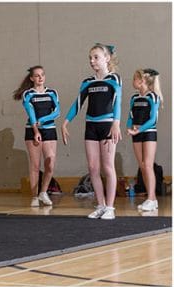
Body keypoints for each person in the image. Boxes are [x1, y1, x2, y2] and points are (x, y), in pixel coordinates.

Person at [61, 43, 122, 220]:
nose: (92, 61)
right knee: (93, 168)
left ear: (107, 58)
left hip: (108, 125)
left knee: (108, 167)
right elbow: (78, 103)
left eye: (96, 57)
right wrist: (66, 122)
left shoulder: (114, 79)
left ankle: (110, 207)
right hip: (91, 126)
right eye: (90, 58)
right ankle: (101, 204)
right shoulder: (87, 82)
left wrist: (116, 123)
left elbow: (117, 101)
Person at [12, 66, 59, 207]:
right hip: (32, 130)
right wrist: (36, 130)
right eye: (37, 76)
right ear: (32, 78)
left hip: (50, 130)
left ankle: (43, 192)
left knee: (50, 163)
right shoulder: (28, 94)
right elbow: (31, 114)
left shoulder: (52, 92)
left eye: (42, 75)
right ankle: (34, 196)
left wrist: (43, 121)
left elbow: (57, 112)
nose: (40, 78)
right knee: (35, 164)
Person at [127, 68, 163, 212]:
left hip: (148, 133)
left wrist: (138, 130)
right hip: (136, 134)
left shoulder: (153, 96)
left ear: (142, 81)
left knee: (148, 165)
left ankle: (152, 198)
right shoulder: (134, 98)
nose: (133, 81)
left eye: (135, 78)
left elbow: (153, 119)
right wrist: (129, 128)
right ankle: (151, 199)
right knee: (142, 166)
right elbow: (130, 116)